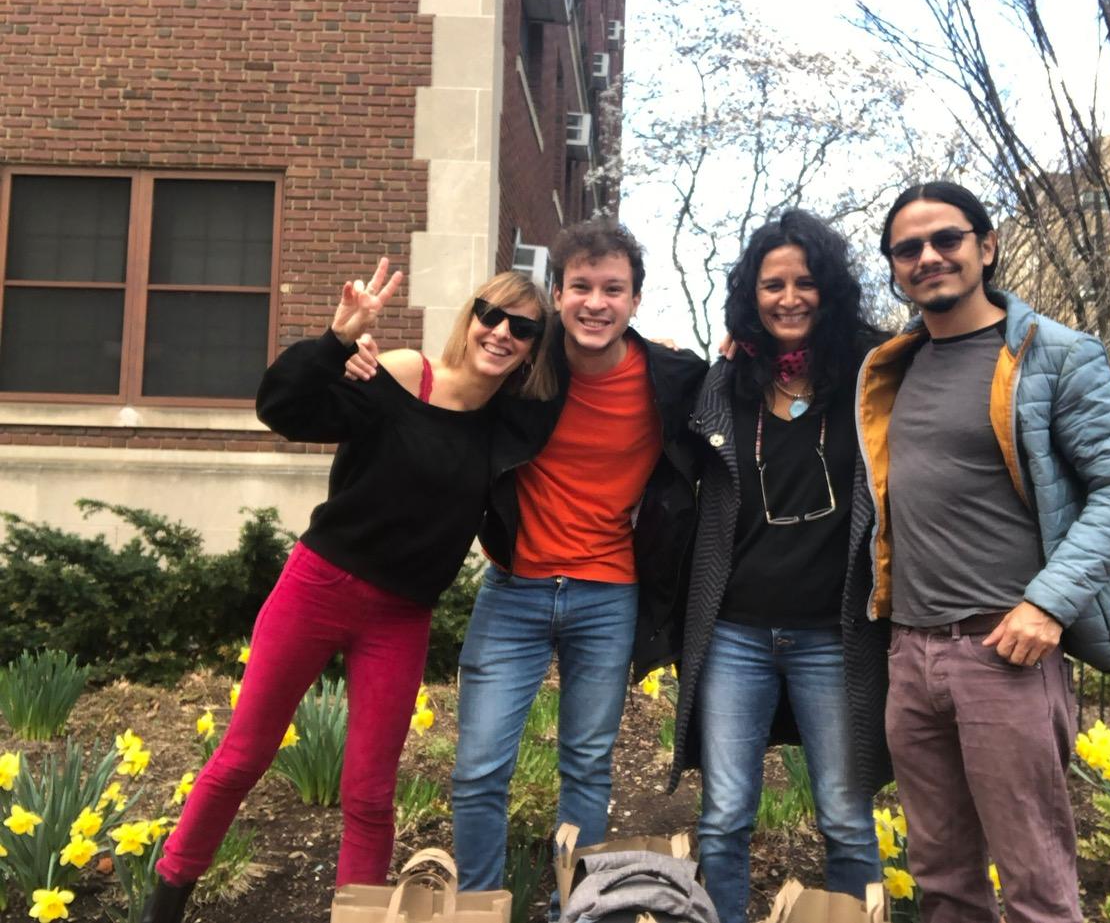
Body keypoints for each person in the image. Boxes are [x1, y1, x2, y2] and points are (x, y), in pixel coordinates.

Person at [143, 261, 555, 923]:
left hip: (400, 617)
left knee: (370, 794)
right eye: (491, 313)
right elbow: (284, 407)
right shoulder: (398, 372)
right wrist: (337, 341)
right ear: (471, 316)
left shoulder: (510, 427)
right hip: (319, 585)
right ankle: (165, 898)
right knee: (242, 756)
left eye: (523, 326)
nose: (501, 331)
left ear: (536, 345)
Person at [346, 220, 706, 898]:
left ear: (634, 299)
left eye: (613, 289)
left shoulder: (672, 376)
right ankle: (482, 904)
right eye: (580, 287)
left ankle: (579, 906)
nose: (595, 302)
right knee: (479, 768)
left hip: (608, 594)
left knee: (588, 766)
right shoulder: (524, 369)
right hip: (513, 591)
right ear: (559, 294)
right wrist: (355, 358)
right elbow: (447, 391)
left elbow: (731, 406)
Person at [862, 182, 1110, 922]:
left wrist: (1048, 603)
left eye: (947, 239)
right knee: (942, 879)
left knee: (1036, 883)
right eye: (908, 248)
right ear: (895, 268)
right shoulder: (890, 368)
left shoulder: (1056, 354)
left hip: (1006, 651)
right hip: (910, 653)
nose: (929, 257)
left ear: (986, 247)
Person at [666, 210, 889, 923]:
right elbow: (673, 418)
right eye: (772, 285)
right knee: (725, 816)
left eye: (805, 281)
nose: (789, 297)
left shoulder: (870, 378)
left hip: (833, 631)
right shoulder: (730, 383)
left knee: (847, 819)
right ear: (750, 295)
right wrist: (715, 356)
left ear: (830, 290)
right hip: (736, 631)